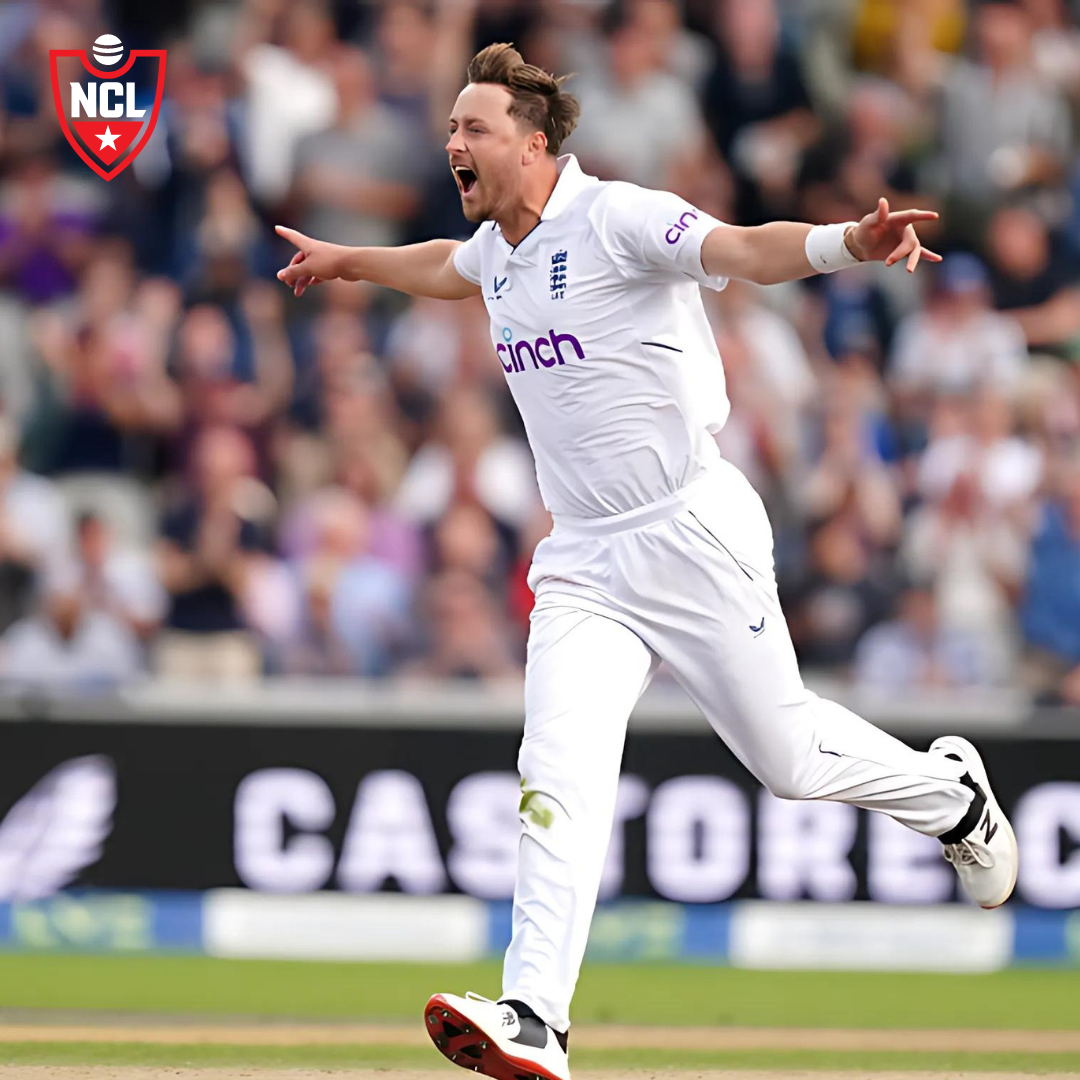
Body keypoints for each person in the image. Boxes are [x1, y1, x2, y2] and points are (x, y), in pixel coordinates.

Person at [275, 43, 1019, 1080]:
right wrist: (349, 261)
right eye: (450, 128)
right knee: (557, 770)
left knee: (789, 761)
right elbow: (441, 269)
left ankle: (955, 799)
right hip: (582, 557)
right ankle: (537, 1013)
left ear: (533, 146)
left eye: (473, 128)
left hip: (690, 529)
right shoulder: (498, 250)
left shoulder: (617, 218)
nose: (452, 142)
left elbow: (745, 250)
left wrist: (850, 240)